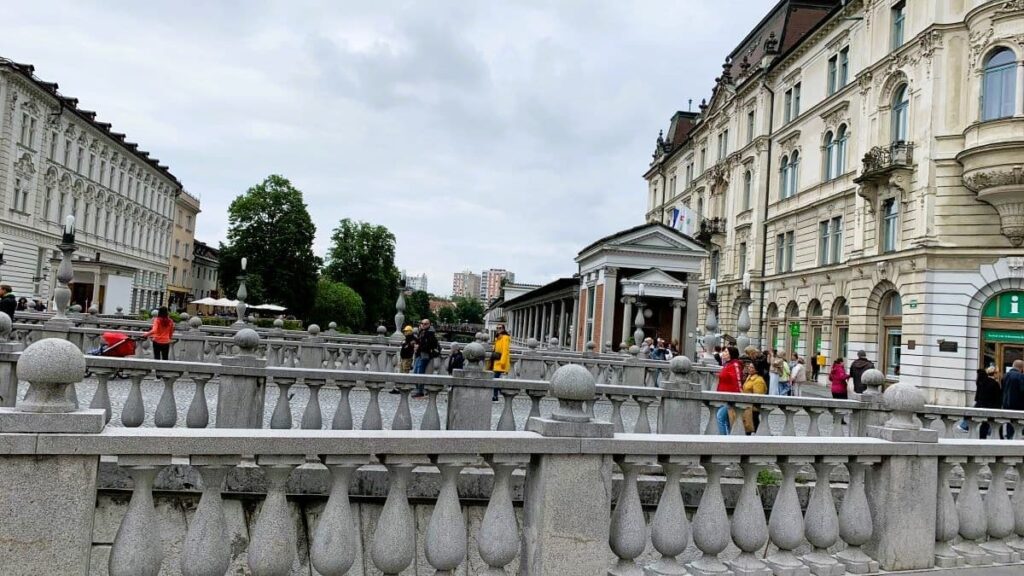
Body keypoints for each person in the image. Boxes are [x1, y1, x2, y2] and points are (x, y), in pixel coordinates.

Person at [715, 346, 744, 434]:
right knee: (727, 420)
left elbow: (738, 380)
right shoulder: (727, 364)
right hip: (723, 396)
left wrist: (739, 395)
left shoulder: (735, 365)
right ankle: (728, 438)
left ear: (731, 354)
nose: (723, 353)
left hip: (730, 397)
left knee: (720, 417)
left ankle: (723, 439)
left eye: (726, 352)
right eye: (724, 351)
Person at [412, 319, 440, 398]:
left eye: (425, 324)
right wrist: (416, 345)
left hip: (425, 355)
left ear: (429, 324)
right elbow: (420, 342)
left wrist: (419, 347)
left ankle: (420, 391)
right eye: (422, 323)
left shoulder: (430, 333)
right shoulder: (421, 332)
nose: (423, 325)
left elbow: (429, 345)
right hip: (419, 355)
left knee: (420, 373)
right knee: (415, 372)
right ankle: (419, 390)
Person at [973, 367, 1002, 439]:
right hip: (991, 407)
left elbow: (978, 395)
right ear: (994, 374)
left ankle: (982, 438)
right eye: (997, 373)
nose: (999, 374)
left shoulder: (982, 381)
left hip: (982, 405)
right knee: (997, 424)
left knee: (984, 424)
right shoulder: (994, 383)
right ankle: (1001, 438)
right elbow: (998, 398)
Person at [741, 360, 767, 434]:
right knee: (749, 427)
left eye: (752, 367)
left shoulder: (758, 381)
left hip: (753, 409)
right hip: (747, 407)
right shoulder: (749, 377)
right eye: (749, 367)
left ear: (757, 370)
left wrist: (753, 408)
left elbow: (758, 397)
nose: (749, 368)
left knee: (753, 427)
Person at [1002, 360, 1024, 439]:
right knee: (1018, 424)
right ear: (1021, 368)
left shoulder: (1005, 375)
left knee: (1009, 423)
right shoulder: (1021, 376)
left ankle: (1009, 437)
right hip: (1018, 404)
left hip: (1006, 403)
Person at [491, 324, 512, 401]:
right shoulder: (498, 337)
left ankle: (496, 396)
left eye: (500, 328)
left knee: (496, 379)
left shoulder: (505, 337)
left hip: (501, 362)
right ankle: (497, 395)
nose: (498, 329)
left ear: (503, 329)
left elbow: (505, 351)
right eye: (497, 328)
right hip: (496, 360)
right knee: (496, 379)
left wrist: (502, 362)